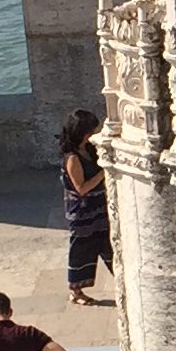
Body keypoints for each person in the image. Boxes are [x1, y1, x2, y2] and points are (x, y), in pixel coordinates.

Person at [61, 108, 112, 307]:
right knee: (82, 248)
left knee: (107, 243)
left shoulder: (89, 149)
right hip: (82, 211)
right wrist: (104, 171)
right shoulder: (72, 158)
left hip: (99, 206)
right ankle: (75, 291)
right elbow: (81, 188)